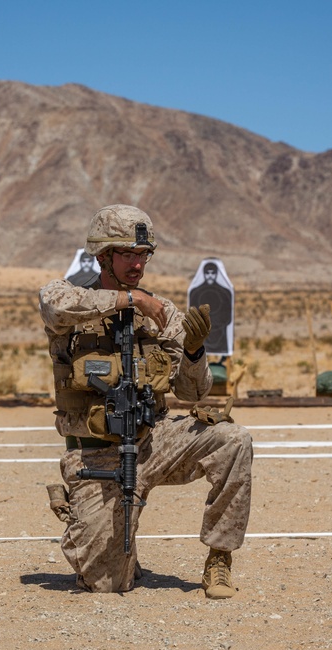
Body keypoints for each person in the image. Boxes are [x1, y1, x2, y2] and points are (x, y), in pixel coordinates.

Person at [39, 204, 253, 598]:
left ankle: (219, 557)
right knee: (107, 584)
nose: (138, 264)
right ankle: (85, 512)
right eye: (128, 255)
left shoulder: (163, 313)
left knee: (232, 439)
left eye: (143, 255)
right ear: (103, 256)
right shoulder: (68, 297)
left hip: (153, 441)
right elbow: (53, 305)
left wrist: (192, 353)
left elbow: (193, 393)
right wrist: (132, 301)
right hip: (96, 454)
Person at [188, 261, 233, 355]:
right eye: (207, 273)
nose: (210, 276)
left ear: (216, 274)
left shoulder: (225, 292)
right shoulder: (195, 292)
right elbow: (191, 317)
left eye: (213, 273)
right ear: (204, 273)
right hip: (201, 336)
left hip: (220, 337)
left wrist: (215, 323)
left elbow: (228, 318)